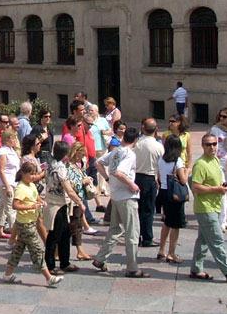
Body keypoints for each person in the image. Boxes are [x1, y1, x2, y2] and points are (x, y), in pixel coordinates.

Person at [189, 133, 227, 283]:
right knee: (216, 240)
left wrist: (221, 187)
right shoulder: (200, 164)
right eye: (208, 144)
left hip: (214, 206)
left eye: (214, 144)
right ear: (203, 146)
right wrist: (216, 189)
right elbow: (195, 186)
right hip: (205, 208)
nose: (212, 147)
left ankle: (196, 268)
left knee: (203, 240)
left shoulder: (215, 160)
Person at [2, 161, 63, 288]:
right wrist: (31, 206)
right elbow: (15, 205)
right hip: (25, 225)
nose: (33, 177)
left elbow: (36, 197)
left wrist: (41, 202)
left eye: (34, 174)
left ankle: (7, 274)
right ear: (23, 173)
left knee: (18, 251)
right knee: (37, 251)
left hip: (30, 221)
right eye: (31, 174)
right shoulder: (20, 188)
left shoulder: (31, 185)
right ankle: (48, 277)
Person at [92, 126, 144, 277]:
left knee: (116, 229)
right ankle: (132, 267)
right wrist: (132, 184)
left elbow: (98, 163)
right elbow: (120, 172)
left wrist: (108, 179)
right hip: (126, 197)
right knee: (132, 232)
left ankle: (100, 258)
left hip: (115, 196)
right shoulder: (129, 154)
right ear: (135, 140)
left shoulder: (116, 151)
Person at [43, 140, 86, 275]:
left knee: (65, 233)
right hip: (57, 204)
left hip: (55, 202)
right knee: (55, 235)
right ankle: (50, 265)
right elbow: (69, 189)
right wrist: (80, 202)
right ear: (65, 154)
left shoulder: (51, 164)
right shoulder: (60, 168)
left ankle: (64, 262)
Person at [156, 134, 188, 264]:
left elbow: (159, 176)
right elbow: (183, 180)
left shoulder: (161, 159)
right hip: (174, 194)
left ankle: (161, 249)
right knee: (175, 225)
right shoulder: (177, 161)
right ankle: (171, 253)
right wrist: (187, 170)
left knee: (166, 222)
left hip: (163, 192)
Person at [134, 118, 165, 247]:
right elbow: (161, 165)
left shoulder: (137, 143)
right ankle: (147, 237)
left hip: (136, 177)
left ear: (143, 128)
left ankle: (137, 235)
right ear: (156, 129)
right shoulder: (158, 146)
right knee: (148, 210)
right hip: (149, 178)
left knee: (137, 209)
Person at [65, 142, 95, 260]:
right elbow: (71, 184)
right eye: (81, 154)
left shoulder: (77, 165)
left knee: (73, 226)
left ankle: (60, 251)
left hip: (78, 199)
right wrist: (83, 182)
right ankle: (79, 251)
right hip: (74, 200)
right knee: (75, 226)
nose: (82, 157)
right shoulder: (69, 166)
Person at [0, 129, 21, 240]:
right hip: (6, 184)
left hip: (11, 182)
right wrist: (8, 186)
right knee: (11, 208)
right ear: (8, 139)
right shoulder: (3, 152)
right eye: (14, 138)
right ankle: (16, 235)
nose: (15, 141)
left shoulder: (11, 150)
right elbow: (1, 170)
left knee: (3, 207)